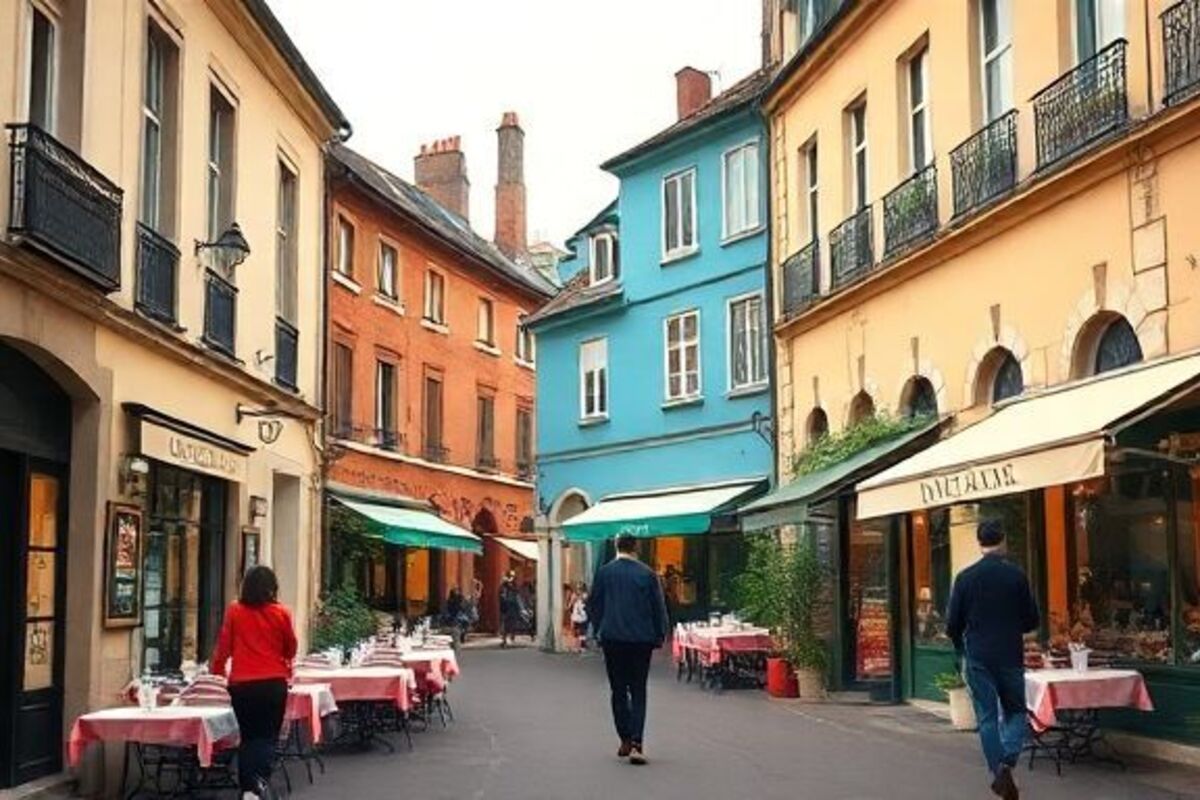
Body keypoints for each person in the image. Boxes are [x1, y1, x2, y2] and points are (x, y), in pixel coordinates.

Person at [946, 519, 1039, 800]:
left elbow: (952, 625)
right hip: (1010, 654)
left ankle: (998, 770)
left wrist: (960, 646)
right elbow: (1031, 620)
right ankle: (1008, 762)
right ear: (1004, 540)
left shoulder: (965, 578)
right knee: (1016, 711)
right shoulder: (1016, 576)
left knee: (987, 717)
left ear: (979, 542)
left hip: (978, 655)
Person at [210, 566, 298, 800]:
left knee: (248, 737)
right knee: (268, 736)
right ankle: (258, 784)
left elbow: (224, 646)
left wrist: (217, 671)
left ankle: (248, 787)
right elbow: (291, 648)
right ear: (272, 588)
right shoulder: (281, 613)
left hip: (243, 684)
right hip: (273, 683)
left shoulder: (234, 611)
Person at [586, 533, 669, 766]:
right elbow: (658, 607)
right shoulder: (647, 574)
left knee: (618, 690)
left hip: (612, 639)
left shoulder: (604, 573)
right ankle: (637, 742)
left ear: (616, 547)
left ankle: (624, 737)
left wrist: (600, 626)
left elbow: (593, 604)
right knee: (639, 690)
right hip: (641, 640)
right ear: (636, 548)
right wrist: (660, 634)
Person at [499, 571, 522, 647]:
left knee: (513, 623)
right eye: (510, 576)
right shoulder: (504, 585)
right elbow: (501, 594)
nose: (511, 578)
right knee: (505, 624)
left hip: (513, 606)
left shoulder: (514, 585)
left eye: (512, 576)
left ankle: (512, 638)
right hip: (506, 607)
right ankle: (504, 640)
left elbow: (517, 592)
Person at [570, 582, 590, 650]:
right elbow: (571, 604)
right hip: (576, 615)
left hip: (582, 615)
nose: (578, 590)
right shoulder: (575, 595)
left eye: (580, 588)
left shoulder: (585, 595)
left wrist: (578, 597)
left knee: (582, 631)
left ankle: (582, 645)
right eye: (578, 588)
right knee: (576, 631)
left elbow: (586, 601)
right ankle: (576, 645)